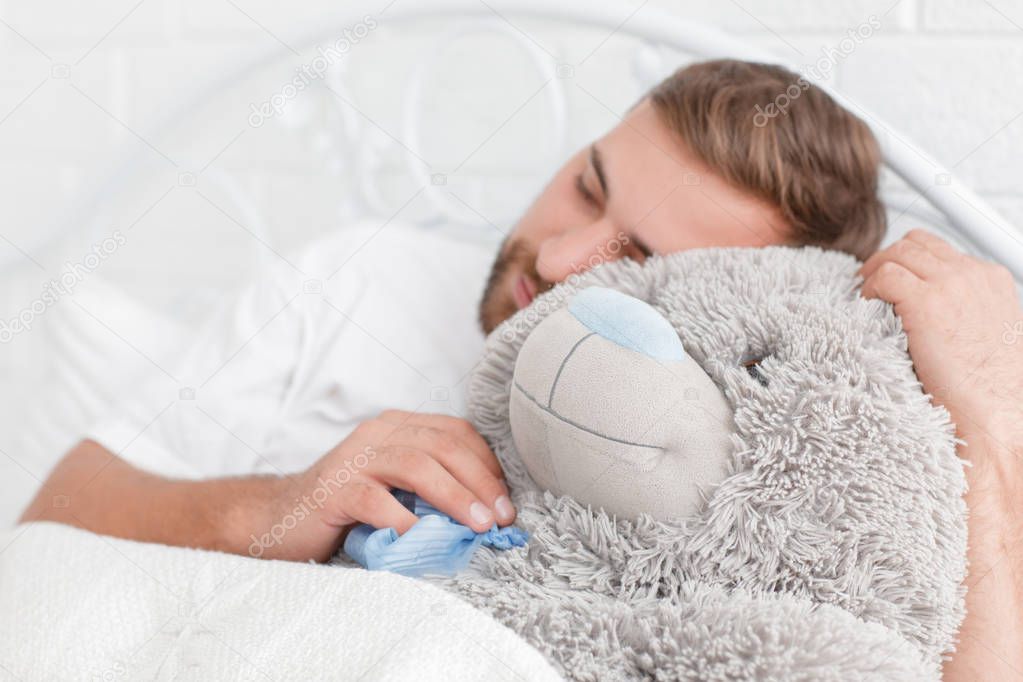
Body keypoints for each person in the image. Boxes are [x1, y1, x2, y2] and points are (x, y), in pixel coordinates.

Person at [20, 60, 1021, 676]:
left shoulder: (758, 449)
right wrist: (283, 505)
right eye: (587, 185)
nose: (557, 258)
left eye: (640, 263)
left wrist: (989, 425)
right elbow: (57, 507)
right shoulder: (369, 275)